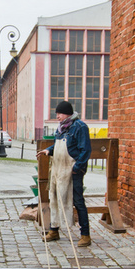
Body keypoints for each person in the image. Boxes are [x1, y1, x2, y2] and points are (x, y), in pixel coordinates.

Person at [37, 101, 92, 247]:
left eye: (59, 113)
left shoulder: (80, 127)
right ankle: (54, 230)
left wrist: (77, 168)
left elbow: (85, 150)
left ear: (67, 113)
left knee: (78, 201)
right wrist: (49, 150)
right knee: (54, 198)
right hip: (58, 170)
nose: (57, 116)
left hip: (73, 171)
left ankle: (85, 235)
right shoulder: (61, 128)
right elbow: (59, 145)